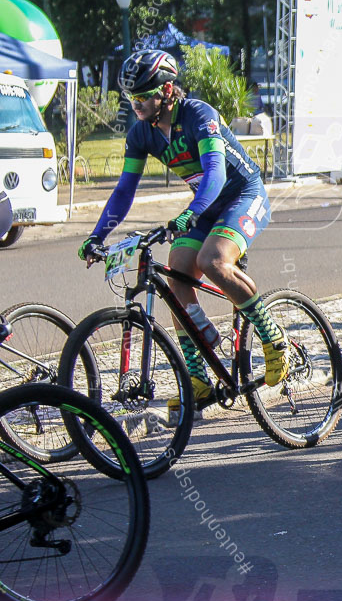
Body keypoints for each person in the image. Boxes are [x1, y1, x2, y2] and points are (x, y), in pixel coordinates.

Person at [78, 50, 284, 409]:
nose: (136, 104)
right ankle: (199, 378)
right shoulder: (142, 133)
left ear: (168, 90)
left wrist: (189, 214)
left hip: (241, 193)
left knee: (212, 261)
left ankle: (273, 338)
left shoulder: (198, 115)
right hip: (208, 204)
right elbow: (125, 189)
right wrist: (98, 234)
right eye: (132, 98)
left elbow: (216, 174)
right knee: (177, 273)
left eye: (143, 96)